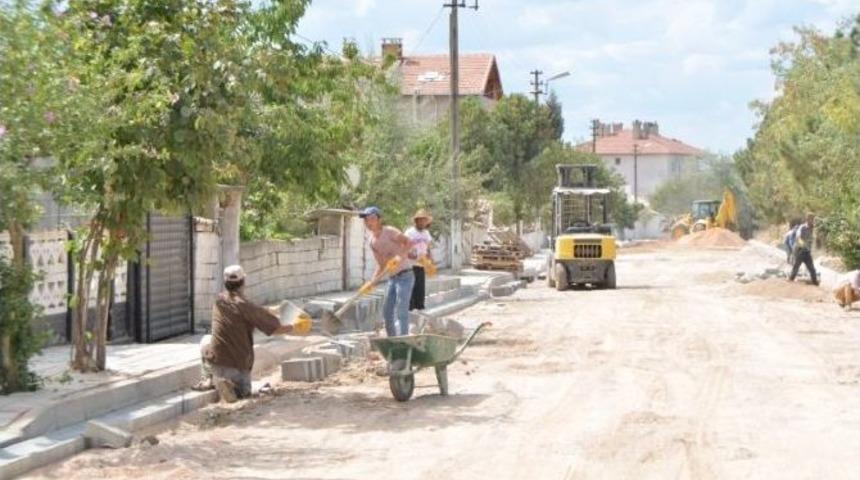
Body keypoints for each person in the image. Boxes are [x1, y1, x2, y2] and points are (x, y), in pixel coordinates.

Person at [192, 265, 296, 402]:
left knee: (206, 340)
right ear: (243, 282)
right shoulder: (247, 306)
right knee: (244, 392)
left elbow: (249, 310)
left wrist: (272, 310)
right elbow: (275, 329)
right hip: (238, 367)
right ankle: (235, 390)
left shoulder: (219, 300)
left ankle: (208, 379)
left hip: (216, 363)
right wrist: (295, 326)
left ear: (225, 283)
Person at [360, 206, 415, 337]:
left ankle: (404, 339)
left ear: (379, 219)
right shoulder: (372, 241)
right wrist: (371, 282)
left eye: (371, 219)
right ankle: (392, 339)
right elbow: (381, 265)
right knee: (387, 311)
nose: (368, 222)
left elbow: (409, 242)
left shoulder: (389, 231)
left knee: (401, 309)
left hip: (405, 275)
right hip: (392, 278)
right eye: (366, 220)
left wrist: (399, 257)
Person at [405, 209, 434, 311]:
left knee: (420, 289)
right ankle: (410, 312)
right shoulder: (409, 233)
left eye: (424, 220)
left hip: (422, 265)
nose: (422, 222)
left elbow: (428, 248)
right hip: (411, 265)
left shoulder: (426, 233)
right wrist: (411, 254)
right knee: (411, 289)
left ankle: (420, 309)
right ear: (416, 221)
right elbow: (404, 248)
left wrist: (430, 260)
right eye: (420, 220)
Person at [788, 213, 819, 286]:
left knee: (812, 269)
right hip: (800, 251)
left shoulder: (813, 228)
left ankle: (815, 283)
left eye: (813, 220)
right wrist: (803, 244)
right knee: (796, 266)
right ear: (807, 219)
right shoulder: (802, 227)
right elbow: (798, 238)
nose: (813, 221)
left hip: (807, 252)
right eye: (811, 219)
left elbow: (816, 238)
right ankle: (790, 280)